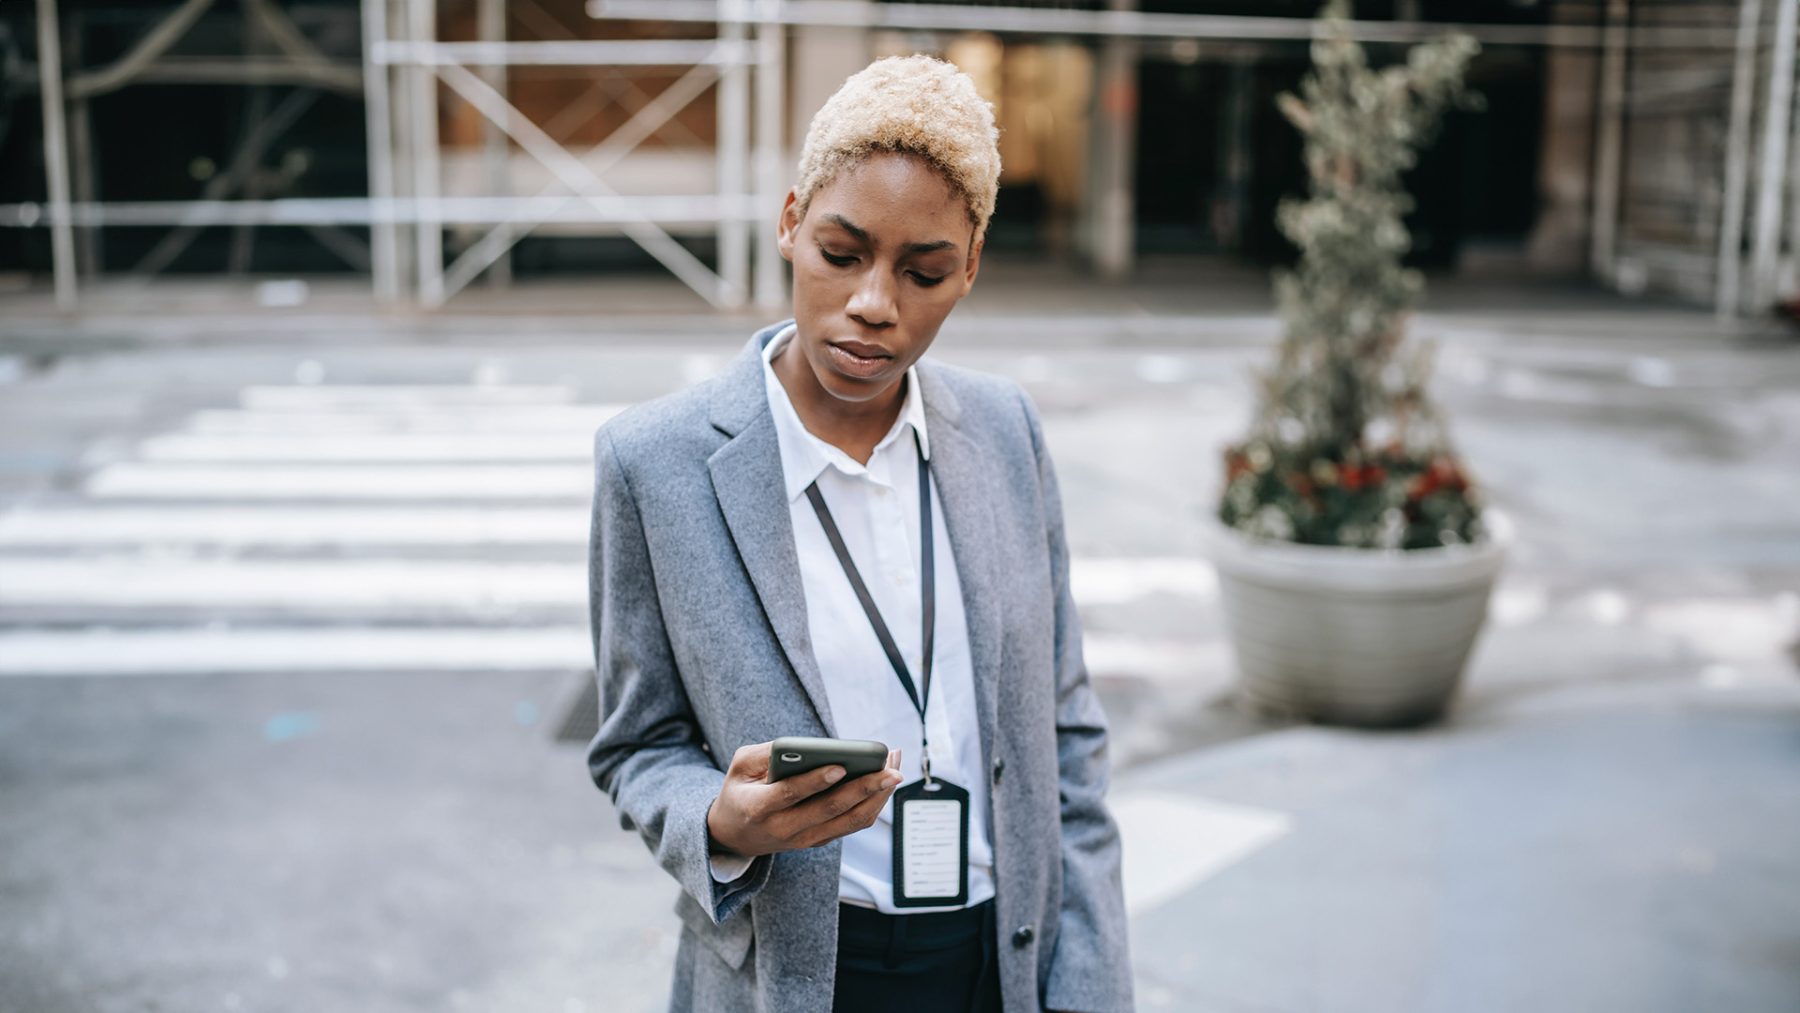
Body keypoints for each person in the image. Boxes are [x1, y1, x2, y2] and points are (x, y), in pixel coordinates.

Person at [586, 55, 1132, 1013]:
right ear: (792, 223)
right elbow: (637, 746)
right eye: (844, 255)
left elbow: (1067, 735)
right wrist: (720, 820)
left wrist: (1088, 985)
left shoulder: (1008, 432)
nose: (876, 303)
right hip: (790, 972)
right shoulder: (652, 462)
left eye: (922, 272)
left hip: (1000, 964)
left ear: (967, 270)